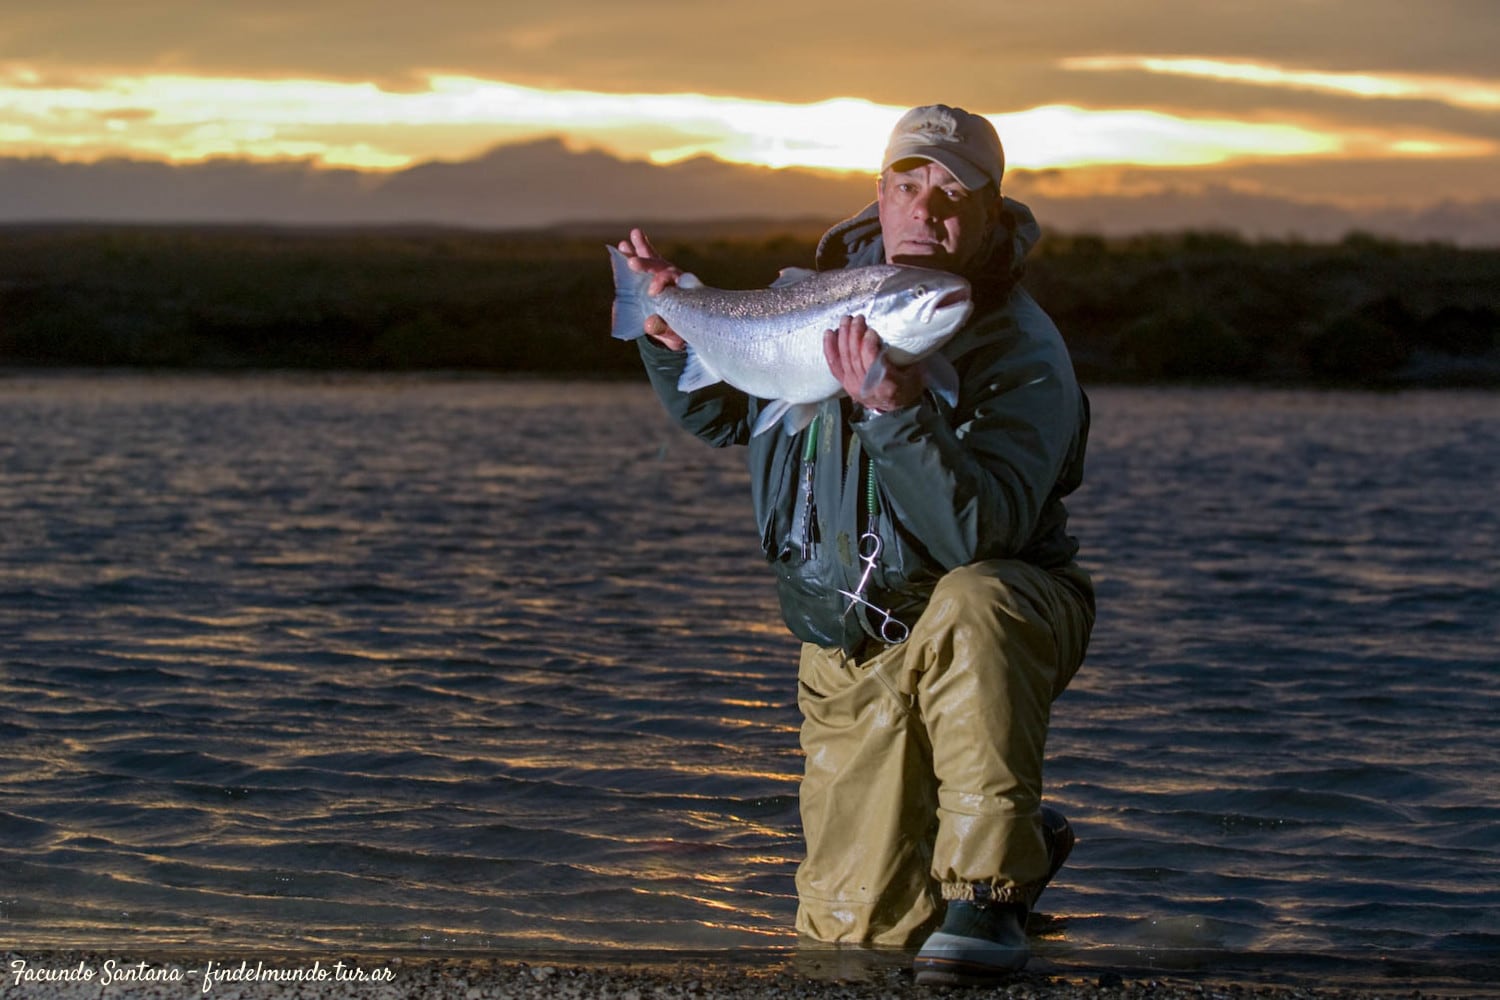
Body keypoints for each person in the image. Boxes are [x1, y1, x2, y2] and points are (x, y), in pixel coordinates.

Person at [615, 104, 1093, 985]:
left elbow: (979, 538)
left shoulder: (1022, 350)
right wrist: (670, 335)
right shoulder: (817, 300)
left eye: (955, 195)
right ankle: (1016, 839)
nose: (929, 212)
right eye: (910, 188)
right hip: (848, 643)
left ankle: (991, 887)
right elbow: (725, 416)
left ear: (993, 211)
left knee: (977, 598)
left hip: (992, 622)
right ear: (880, 196)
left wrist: (896, 412)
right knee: (855, 949)